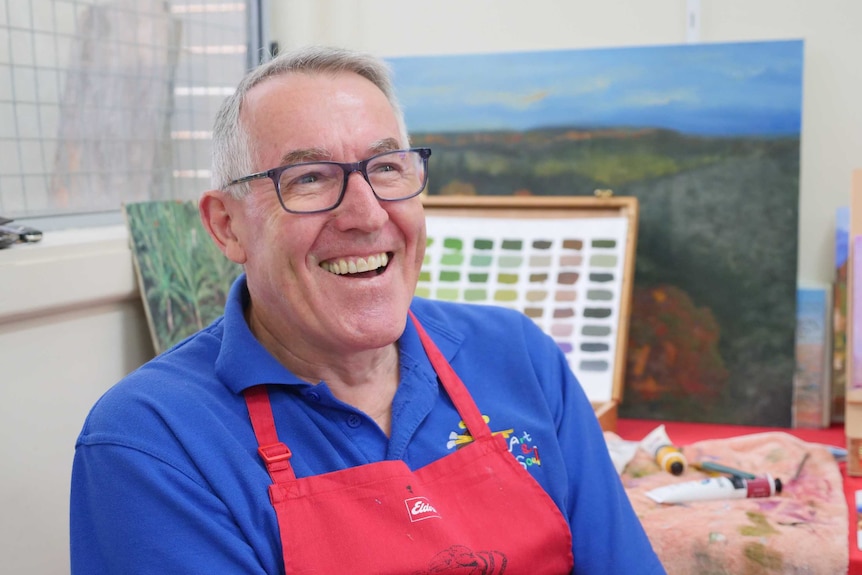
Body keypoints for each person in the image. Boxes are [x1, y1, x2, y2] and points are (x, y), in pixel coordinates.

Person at [70, 45, 666, 574]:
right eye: (308, 178)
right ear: (227, 226)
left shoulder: (516, 354)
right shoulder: (153, 439)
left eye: (386, 167)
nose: (368, 213)